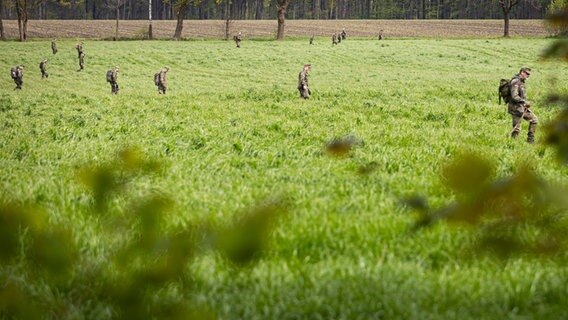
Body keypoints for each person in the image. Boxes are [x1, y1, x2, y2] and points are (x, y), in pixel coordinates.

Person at [508, 67, 537, 143]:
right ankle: (512, 144)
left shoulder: (522, 81)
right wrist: (524, 102)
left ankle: (530, 140)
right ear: (521, 72)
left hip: (521, 107)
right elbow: (514, 96)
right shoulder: (516, 82)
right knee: (517, 128)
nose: (527, 75)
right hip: (515, 108)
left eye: (529, 74)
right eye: (526, 73)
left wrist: (525, 103)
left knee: (533, 120)